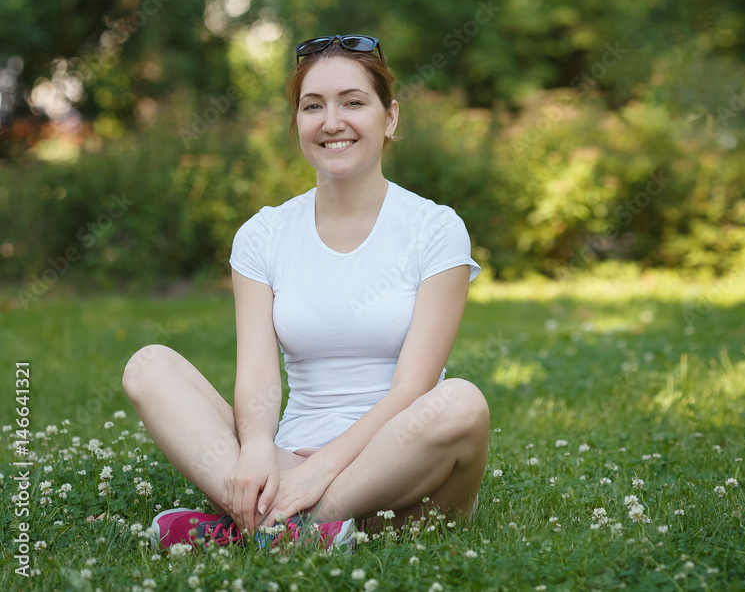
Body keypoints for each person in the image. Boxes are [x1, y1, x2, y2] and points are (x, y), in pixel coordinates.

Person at [122, 34, 490, 550]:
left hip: (404, 469)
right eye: (312, 106)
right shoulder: (263, 234)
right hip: (287, 459)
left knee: (461, 402)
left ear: (390, 117)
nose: (331, 122)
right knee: (149, 366)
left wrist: (323, 474)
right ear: (297, 121)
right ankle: (304, 529)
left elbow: (412, 390)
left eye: (353, 102)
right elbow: (256, 375)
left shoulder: (435, 228)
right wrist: (253, 451)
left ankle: (262, 523)